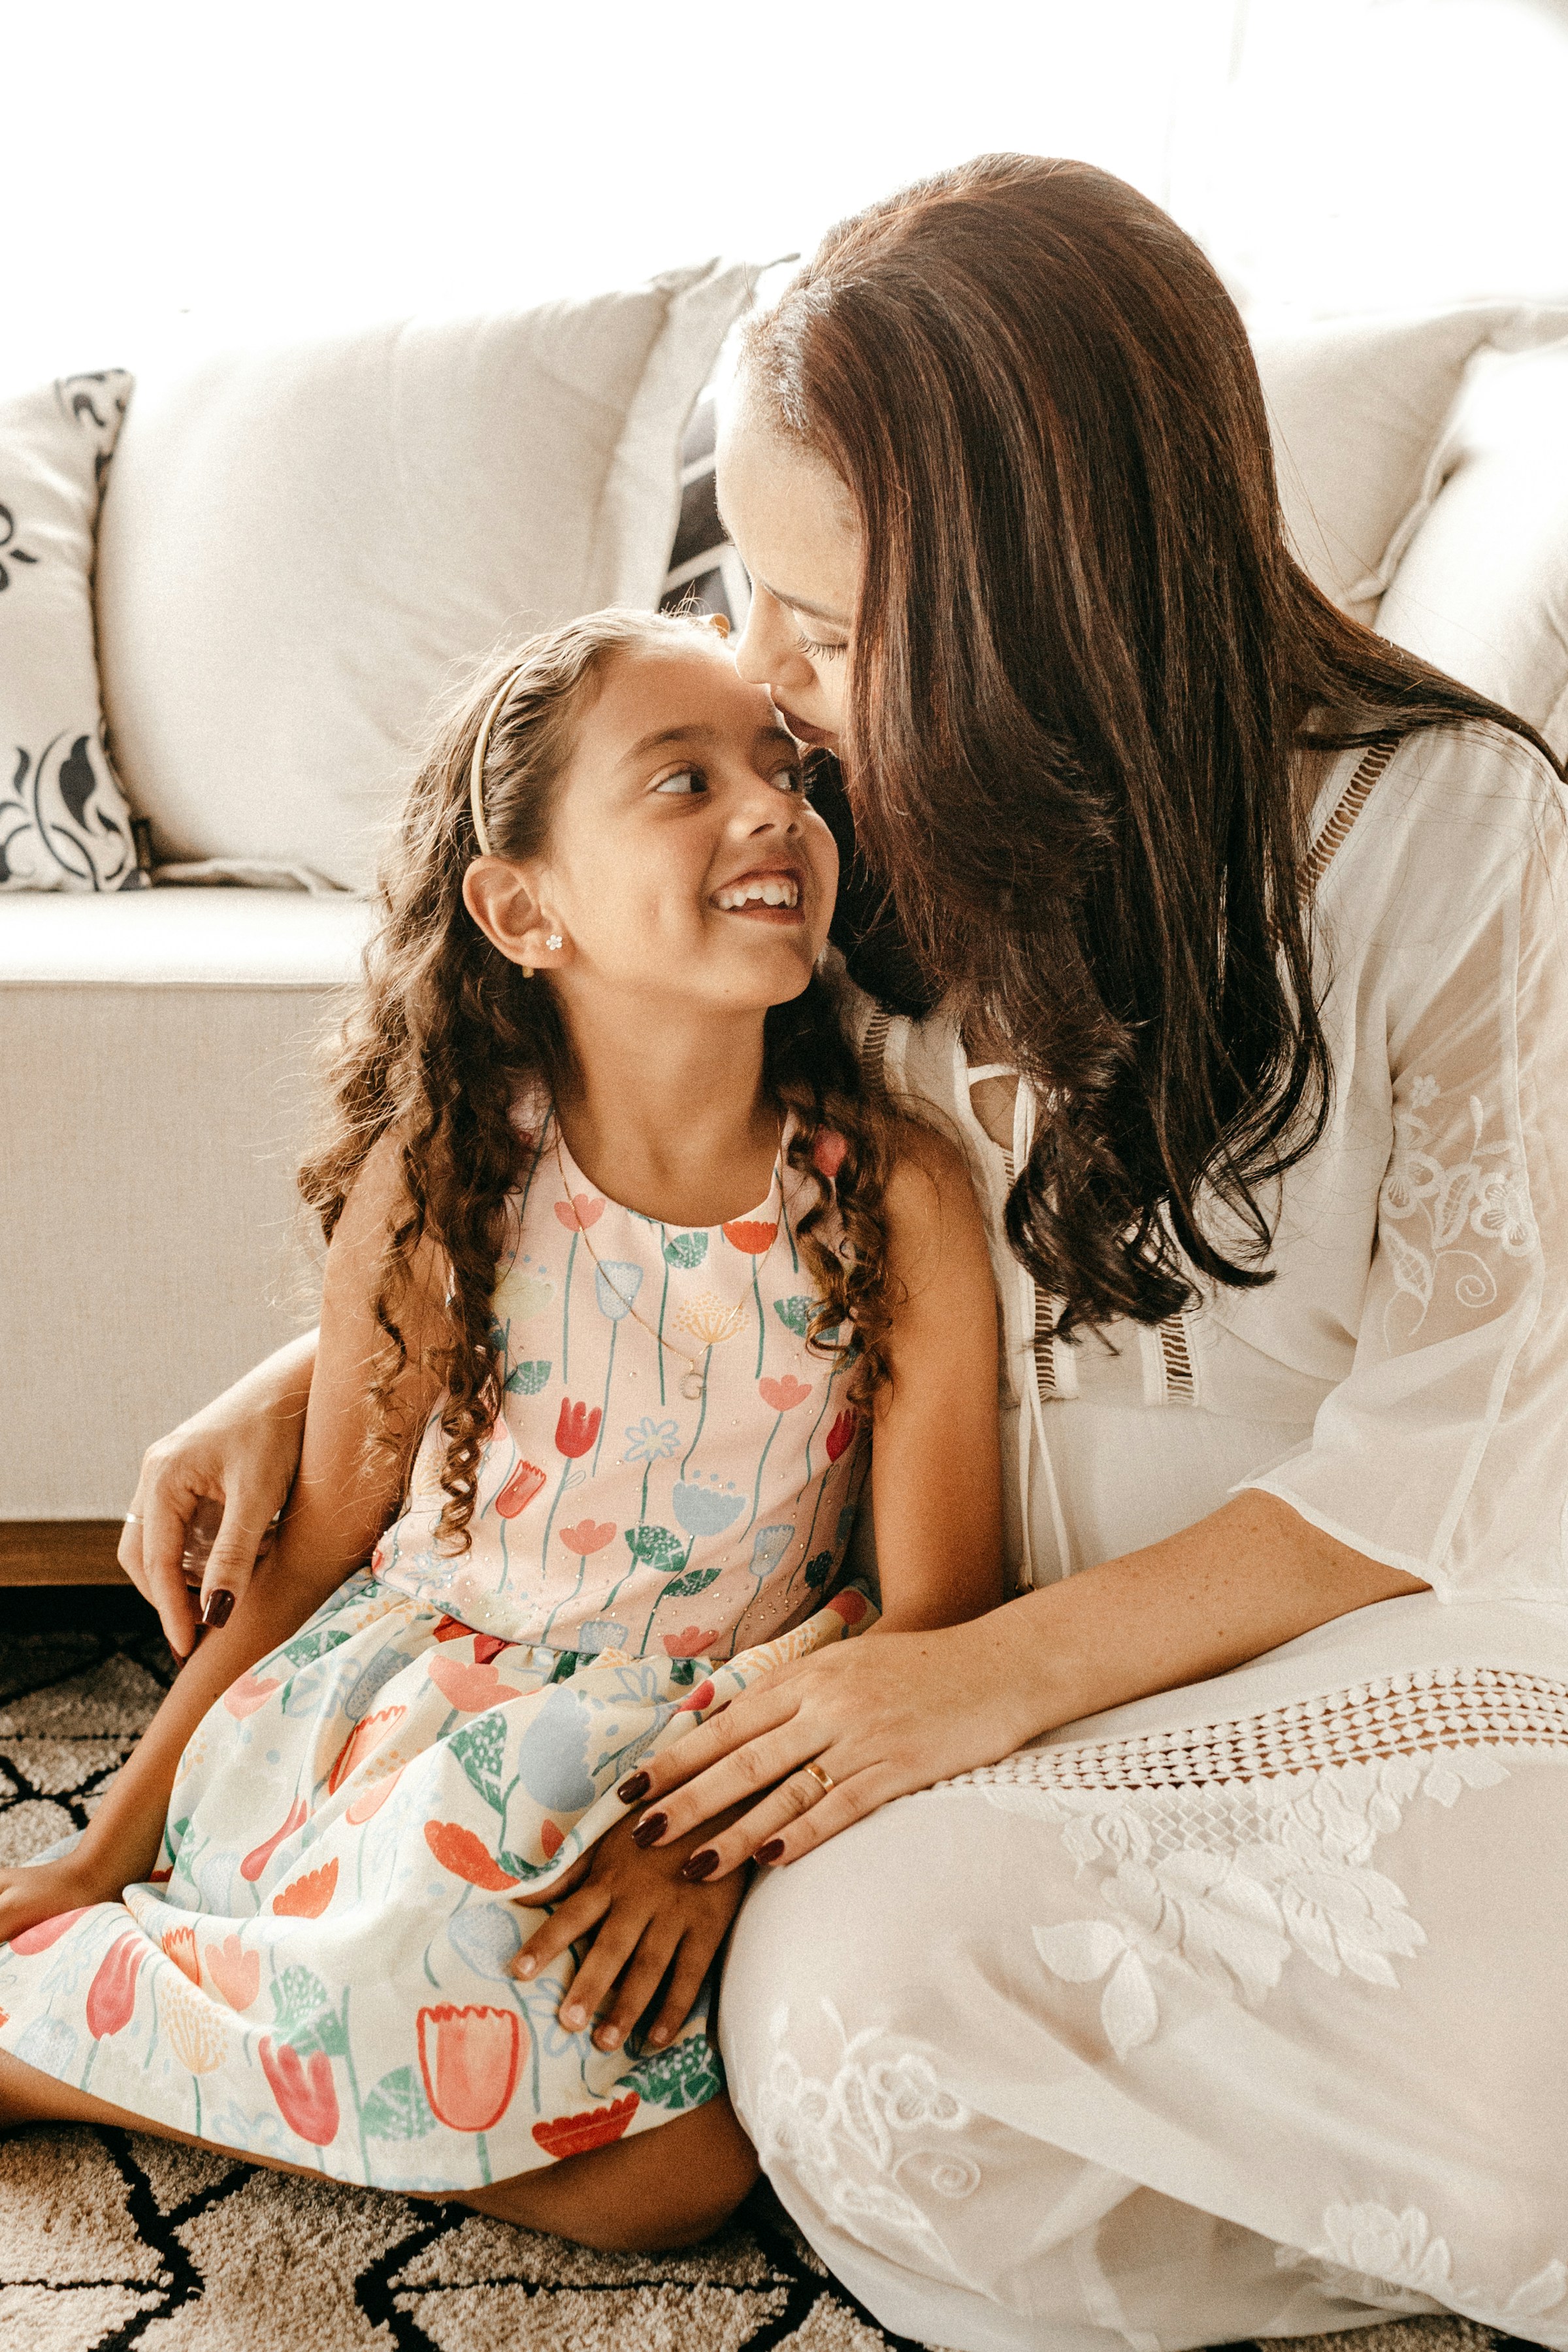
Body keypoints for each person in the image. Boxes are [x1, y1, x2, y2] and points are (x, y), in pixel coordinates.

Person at [56, 152, 1568, 2344]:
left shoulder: (1459, 836)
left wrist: (970, 1688)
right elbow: (643, 1156)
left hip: (1353, 1648)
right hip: (926, 1676)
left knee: (884, 2017)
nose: (772, 683)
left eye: (829, 624)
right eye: (752, 595)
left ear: (1052, 597)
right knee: (807, 2028)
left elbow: (1467, 1453)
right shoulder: (846, 829)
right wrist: (324, 1376)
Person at [0, 609, 1003, 2253]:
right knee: (474, 1937)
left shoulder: (892, 1196)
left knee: (673, 2180)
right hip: (422, 1726)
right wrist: (104, 1845)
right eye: (681, 780)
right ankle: (107, 2001)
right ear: (523, 907)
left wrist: (711, 1849)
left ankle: (94, 2032)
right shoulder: (451, 1173)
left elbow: (940, 1612)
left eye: (785, 771)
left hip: (701, 1745)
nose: (769, 810)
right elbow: (321, 1544)